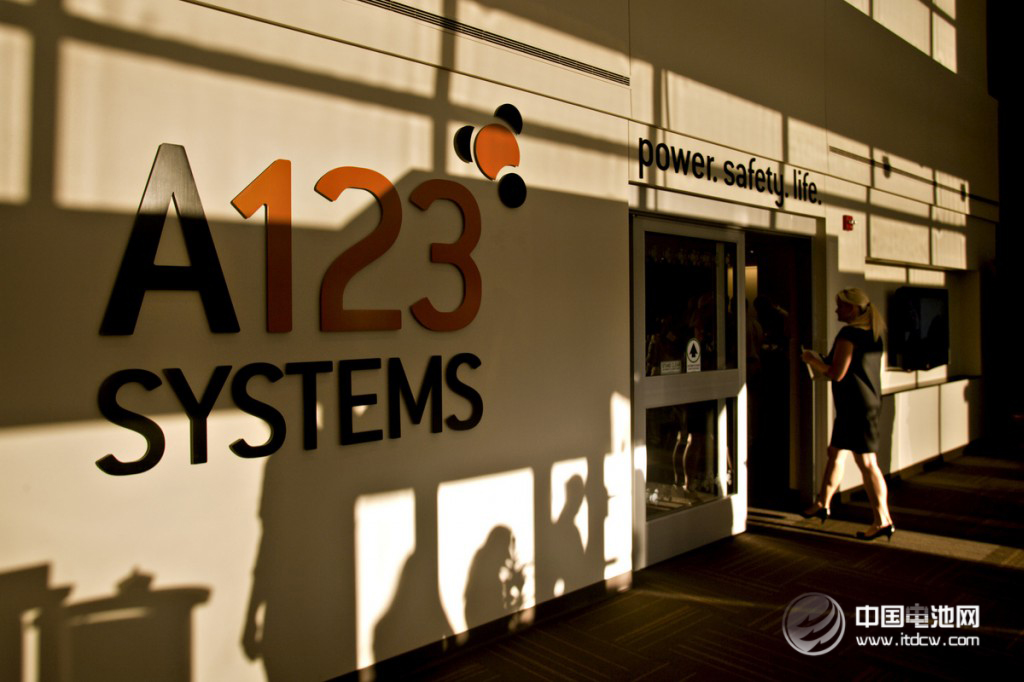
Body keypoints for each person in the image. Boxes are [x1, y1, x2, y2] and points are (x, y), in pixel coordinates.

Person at [800, 288, 894, 541]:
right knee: (836, 453)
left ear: (852, 309)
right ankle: (823, 503)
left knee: (867, 463)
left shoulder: (849, 334)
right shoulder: (873, 333)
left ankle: (882, 520)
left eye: (840, 306)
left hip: (855, 407)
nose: (836, 310)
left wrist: (811, 359)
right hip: (864, 403)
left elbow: (836, 373)